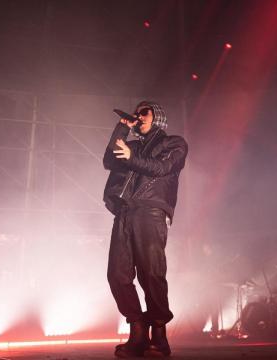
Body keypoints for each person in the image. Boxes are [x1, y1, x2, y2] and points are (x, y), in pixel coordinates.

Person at [103, 101, 188, 357]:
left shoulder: (174, 143)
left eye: (144, 113)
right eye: (137, 113)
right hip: (125, 211)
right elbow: (109, 160)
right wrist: (121, 129)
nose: (138, 116)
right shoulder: (133, 146)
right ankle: (137, 331)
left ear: (158, 117)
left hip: (151, 210)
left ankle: (159, 335)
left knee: (151, 273)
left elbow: (162, 168)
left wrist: (132, 157)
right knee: (117, 273)